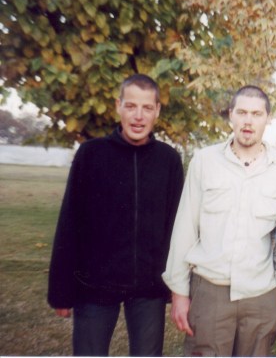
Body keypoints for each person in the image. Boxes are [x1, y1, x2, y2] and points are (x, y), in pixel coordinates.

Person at [47, 74, 185, 356]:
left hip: (149, 285)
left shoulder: (168, 160)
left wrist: (178, 284)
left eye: (147, 108)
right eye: (131, 106)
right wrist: (61, 290)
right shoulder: (90, 154)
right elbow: (69, 223)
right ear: (118, 106)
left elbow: (177, 226)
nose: (138, 116)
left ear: (157, 111)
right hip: (95, 285)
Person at [162, 85, 276, 356]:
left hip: (261, 295)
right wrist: (179, 292)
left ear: (268, 119)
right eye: (242, 112)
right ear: (230, 115)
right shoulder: (204, 161)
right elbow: (185, 228)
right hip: (210, 292)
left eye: (256, 114)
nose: (248, 121)